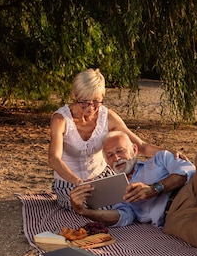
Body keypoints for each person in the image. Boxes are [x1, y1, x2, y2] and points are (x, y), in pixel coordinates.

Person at [48, 68, 181, 209]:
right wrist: (78, 182)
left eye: (96, 101)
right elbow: (53, 159)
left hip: (102, 177)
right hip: (69, 181)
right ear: (76, 95)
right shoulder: (61, 119)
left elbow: (141, 146)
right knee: (89, 206)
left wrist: (169, 152)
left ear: (103, 96)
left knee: (132, 200)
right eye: (84, 102)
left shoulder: (107, 116)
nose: (91, 107)